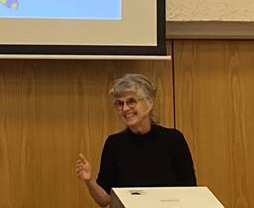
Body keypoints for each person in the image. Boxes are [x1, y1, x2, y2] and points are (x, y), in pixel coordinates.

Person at [75, 73, 196, 207]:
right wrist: (89, 180)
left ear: (149, 103)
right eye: (120, 104)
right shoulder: (114, 144)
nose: (125, 109)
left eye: (131, 102)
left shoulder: (173, 139)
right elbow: (104, 200)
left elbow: (189, 190)